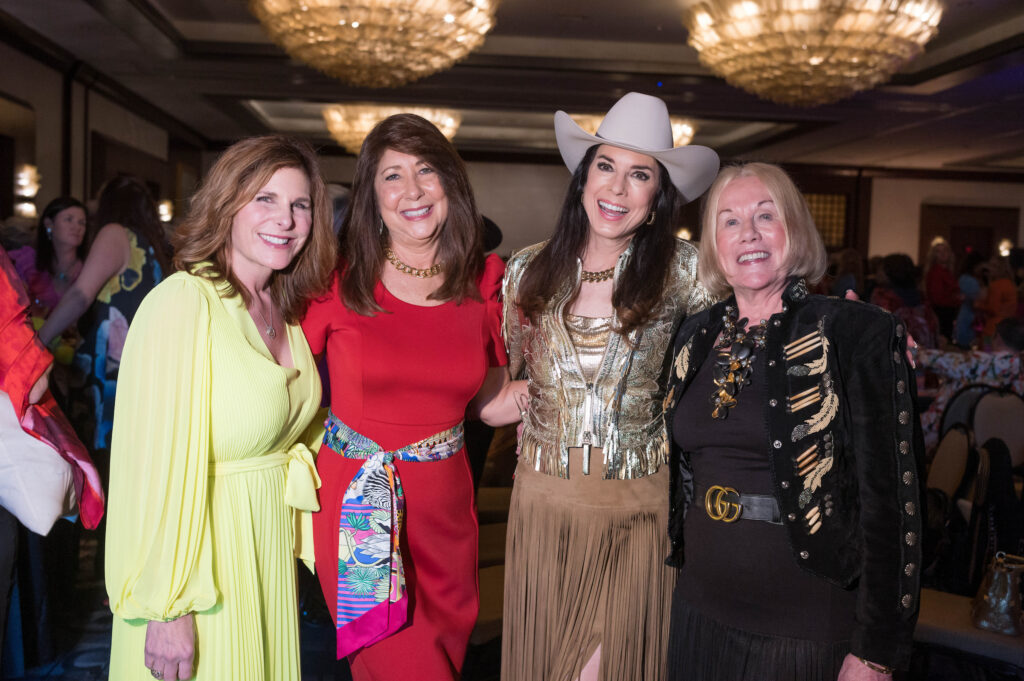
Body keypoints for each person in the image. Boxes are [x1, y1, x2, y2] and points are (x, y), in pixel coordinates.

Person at [664, 162, 923, 681]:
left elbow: (893, 505)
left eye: (766, 215)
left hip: (805, 620)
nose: (749, 234)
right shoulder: (693, 334)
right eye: (730, 221)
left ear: (795, 229)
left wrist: (876, 651)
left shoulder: (854, 332)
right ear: (714, 243)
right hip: (698, 606)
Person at [501, 92, 719, 681]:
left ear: (656, 199)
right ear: (582, 178)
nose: (617, 189)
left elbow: (746, 344)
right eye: (606, 166)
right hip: (544, 505)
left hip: (638, 508)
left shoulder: (690, 272)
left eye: (639, 175)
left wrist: (844, 334)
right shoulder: (524, 270)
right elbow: (512, 378)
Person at [104, 135, 336, 681]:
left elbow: (302, 436)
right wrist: (168, 606)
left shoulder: (285, 310)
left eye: (299, 204)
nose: (285, 219)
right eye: (265, 199)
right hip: (201, 568)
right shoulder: (184, 303)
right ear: (226, 205)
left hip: (264, 556)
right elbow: (151, 471)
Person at [301, 113, 523, 680]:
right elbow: (278, 378)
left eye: (425, 170)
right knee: (398, 662)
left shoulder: (482, 284)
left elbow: (490, 401)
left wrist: (584, 382)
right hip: (362, 509)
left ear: (450, 182)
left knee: (444, 658)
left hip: (447, 512)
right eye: (392, 176)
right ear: (373, 198)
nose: (413, 190)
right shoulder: (337, 281)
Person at [38, 176, 171, 462]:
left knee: (99, 458)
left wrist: (39, 339)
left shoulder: (115, 233)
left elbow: (80, 295)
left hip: (108, 368)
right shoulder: (153, 246)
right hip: (141, 363)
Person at [977, 255, 1018, 345]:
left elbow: (993, 309)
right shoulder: (1010, 284)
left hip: (993, 328)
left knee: (987, 356)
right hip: (1008, 328)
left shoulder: (996, 285)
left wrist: (978, 304)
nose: (989, 268)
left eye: (991, 266)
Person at [924, 239, 959, 341]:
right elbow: (937, 298)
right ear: (934, 255)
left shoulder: (948, 271)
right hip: (941, 313)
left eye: (945, 250)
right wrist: (958, 300)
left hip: (947, 313)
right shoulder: (936, 272)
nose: (943, 254)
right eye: (939, 251)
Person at [953, 251, 986, 348]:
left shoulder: (966, 278)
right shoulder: (968, 280)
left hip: (969, 314)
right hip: (969, 314)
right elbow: (978, 297)